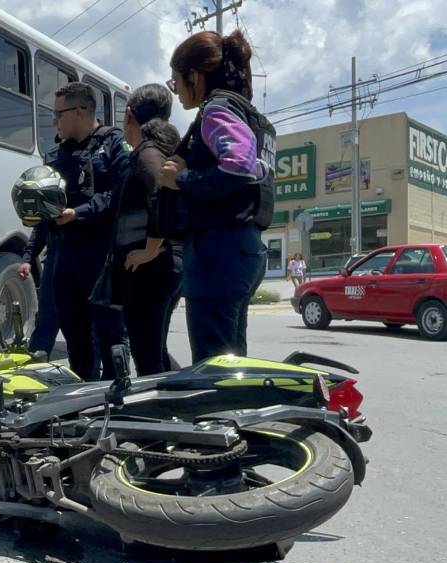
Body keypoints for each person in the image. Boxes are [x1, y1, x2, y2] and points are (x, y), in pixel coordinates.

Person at [159, 30, 275, 362]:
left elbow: (238, 166)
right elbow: (253, 169)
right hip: (243, 247)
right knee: (231, 357)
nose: (177, 91)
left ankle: (220, 414)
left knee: (213, 362)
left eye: (175, 82)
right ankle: (237, 411)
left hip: (218, 251)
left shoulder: (216, 109)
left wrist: (181, 178)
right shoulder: (248, 115)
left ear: (193, 76)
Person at [42, 82, 132, 380]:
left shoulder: (113, 143)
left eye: (59, 114)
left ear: (80, 111)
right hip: (64, 256)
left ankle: (119, 401)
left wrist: (78, 213)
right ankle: (84, 405)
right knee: (75, 337)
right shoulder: (55, 155)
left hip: (102, 256)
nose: (54, 122)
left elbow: (120, 194)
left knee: (110, 336)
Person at [99, 83, 184, 376]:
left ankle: (161, 420)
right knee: (155, 350)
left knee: (146, 356)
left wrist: (150, 248)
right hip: (166, 265)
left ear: (130, 115)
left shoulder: (148, 153)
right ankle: (178, 404)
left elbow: (158, 189)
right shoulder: (166, 148)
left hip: (152, 270)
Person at [18, 221, 60, 355]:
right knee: (46, 317)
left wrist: (75, 213)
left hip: (86, 260)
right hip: (55, 258)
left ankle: (89, 373)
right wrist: (27, 259)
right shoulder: (52, 202)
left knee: (86, 325)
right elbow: (41, 228)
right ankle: (36, 362)